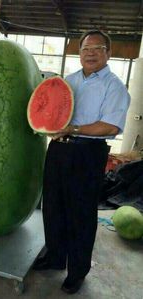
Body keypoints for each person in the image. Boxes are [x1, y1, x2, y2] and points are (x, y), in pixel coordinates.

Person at [33, 30, 130, 294]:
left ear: (108, 53)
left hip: (87, 154)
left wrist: (73, 129)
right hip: (58, 150)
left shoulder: (114, 87)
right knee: (52, 207)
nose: (90, 53)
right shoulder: (68, 81)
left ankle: (77, 271)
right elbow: (53, 111)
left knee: (81, 215)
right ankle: (55, 256)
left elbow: (110, 127)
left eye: (97, 48)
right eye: (85, 48)